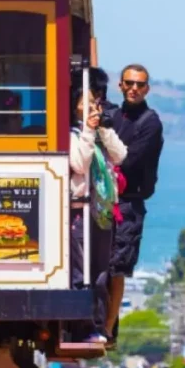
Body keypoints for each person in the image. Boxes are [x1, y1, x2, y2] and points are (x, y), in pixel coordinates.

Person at [106, 64, 164, 345]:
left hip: (129, 204)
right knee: (101, 265)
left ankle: (109, 329)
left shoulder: (150, 123)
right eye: (129, 83)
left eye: (139, 84)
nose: (133, 88)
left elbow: (129, 161)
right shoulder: (112, 115)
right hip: (105, 200)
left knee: (118, 266)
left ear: (147, 89)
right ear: (120, 85)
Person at [69, 78, 126, 344]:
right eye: (86, 102)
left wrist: (102, 129)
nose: (91, 107)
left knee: (101, 272)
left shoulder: (100, 132)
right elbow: (80, 163)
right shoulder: (70, 134)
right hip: (80, 211)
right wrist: (88, 131)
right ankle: (81, 326)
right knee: (82, 272)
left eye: (95, 102)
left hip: (101, 212)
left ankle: (99, 325)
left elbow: (121, 154)